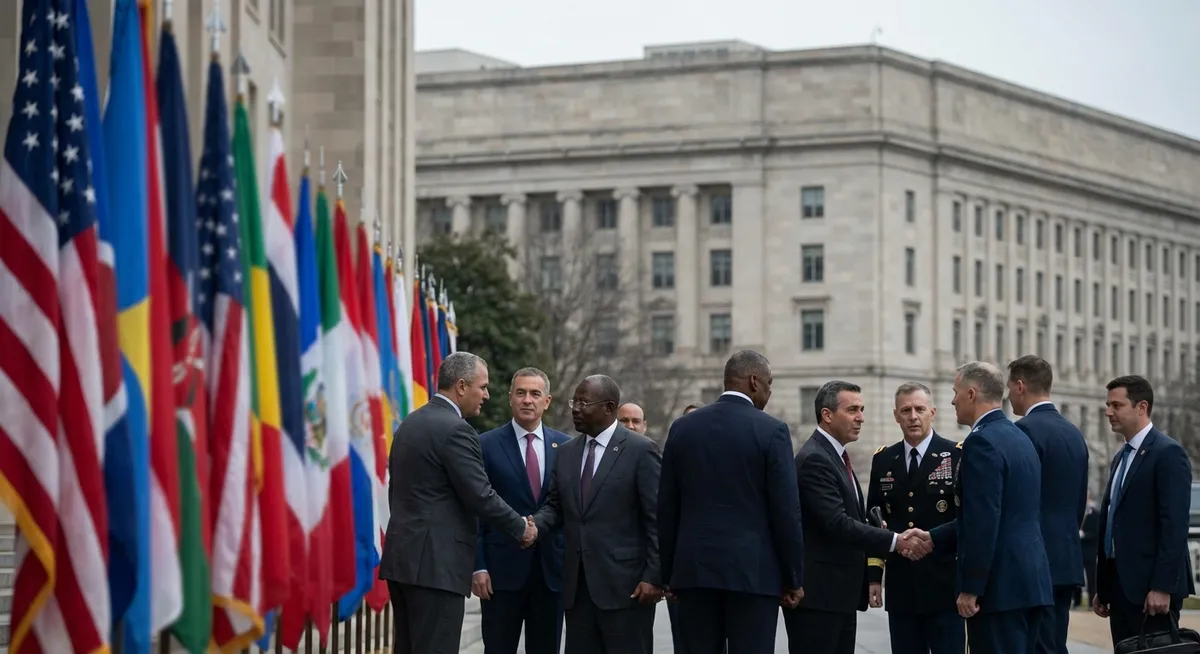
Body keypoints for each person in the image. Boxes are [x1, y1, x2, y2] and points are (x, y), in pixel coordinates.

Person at [380, 352, 537, 654]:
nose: (487, 395)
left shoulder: (411, 423)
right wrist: (521, 527)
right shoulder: (456, 430)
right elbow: (480, 494)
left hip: (403, 559)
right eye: (483, 387)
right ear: (462, 386)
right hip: (436, 565)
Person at [659, 350, 805, 654]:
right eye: (768, 383)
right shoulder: (772, 431)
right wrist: (793, 577)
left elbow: (667, 507)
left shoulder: (682, 428)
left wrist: (669, 573)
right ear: (754, 381)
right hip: (754, 575)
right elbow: (786, 512)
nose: (769, 391)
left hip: (693, 572)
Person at [906, 361, 1053, 654]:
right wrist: (935, 537)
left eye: (955, 392)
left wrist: (972, 586)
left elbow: (983, 521)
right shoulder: (1019, 437)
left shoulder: (981, 442)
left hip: (999, 589)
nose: (952, 400)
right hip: (1029, 582)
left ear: (971, 394)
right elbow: (1004, 511)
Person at [531, 375, 663, 654]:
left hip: (627, 590)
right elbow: (556, 506)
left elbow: (656, 518)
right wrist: (532, 527)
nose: (575, 409)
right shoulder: (566, 452)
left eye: (583, 403)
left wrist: (654, 576)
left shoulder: (641, 451)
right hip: (578, 589)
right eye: (573, 402)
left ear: (609, 407)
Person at [783, 380, 905, 654]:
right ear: (827, 415)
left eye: (861, 409)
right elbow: (836, 523)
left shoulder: (833, 455)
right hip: (819, 598)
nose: (861, 417)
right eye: (852, 410)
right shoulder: (815, 458)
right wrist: (895, 540)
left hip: (838, 596)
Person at [473, 368, 572, 654]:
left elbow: (567, 509)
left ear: (547, 401)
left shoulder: (566, 447)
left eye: (535, 394)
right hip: (500, 575)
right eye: (521, 393)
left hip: (550, 573)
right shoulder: (485, 445)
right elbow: (477, 509)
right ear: (510, 399)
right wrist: (478, 565)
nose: (527, 400)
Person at [1093, 375, 1194, 647]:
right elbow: (1114, 522)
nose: (1108, 411)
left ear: (1141, 407)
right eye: (1107, 404)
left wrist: (1162, 587)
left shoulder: (1167, 454)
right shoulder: (1120, 457)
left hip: (1151, 590)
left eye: (1116, 405)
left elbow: (1173, 525)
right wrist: (1103, 587)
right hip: (1121, 588)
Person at [865, 382, 963, 654]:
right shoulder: (884, 459)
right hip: (902, 586)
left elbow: (966, 519)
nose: (913, 416)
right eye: (905, 410)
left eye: (919, 409)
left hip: (944, 585)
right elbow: (874, 519)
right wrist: (874, 577)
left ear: (933, 412)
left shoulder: (956, 455)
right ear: (895, 415)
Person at [1005, 355, 1089, 654]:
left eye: (1010, 387)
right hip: (1065, 558)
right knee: (1054, 644)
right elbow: (1078, 503)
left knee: (1037, 647)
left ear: (1020, 385)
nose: (1008, 395)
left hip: (1034, 563)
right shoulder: (1074, 433)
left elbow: (1019, 500)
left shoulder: (1024, 430)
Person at [1079, 498, 1100, 606]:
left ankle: (1092, 601)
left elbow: (1096, 533)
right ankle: (1076, 601)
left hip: (1090, 551)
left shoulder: (1095, 514)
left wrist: (1085, 535)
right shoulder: (1079, 512)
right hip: (1079, 550)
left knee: (1091, 577)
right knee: (1078, 577)